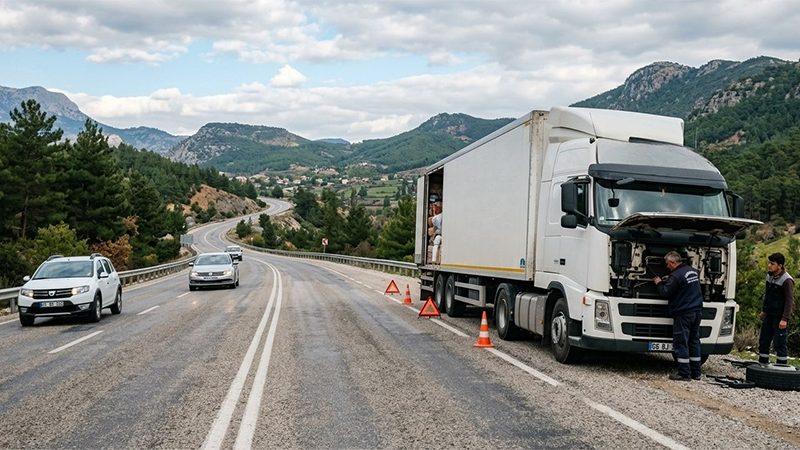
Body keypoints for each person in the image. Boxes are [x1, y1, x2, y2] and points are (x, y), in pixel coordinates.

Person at [654, 251, 704, 381]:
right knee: (694, 341)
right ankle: (696, 373)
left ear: (672, 262)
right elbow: (685, 285)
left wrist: (659, 282)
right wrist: (670, 279)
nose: (667, 267)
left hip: (684, 313)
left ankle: (684, 373)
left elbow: (665, 292)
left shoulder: (676, 276)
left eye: (667, 264)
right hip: (697, 311)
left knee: (681, 342)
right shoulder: (693, 271)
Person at [758, 252, 795, 365]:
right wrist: (764, 311)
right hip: (769, 315)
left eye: (772, 263)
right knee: (764, 340)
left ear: (780, 265)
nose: (769, 265)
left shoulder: (787, 280)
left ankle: (781, 368)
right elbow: (767, 295)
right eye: (769, 263)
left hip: (780, 317)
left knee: (779, 343)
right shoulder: (769, 275)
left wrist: (785, 319)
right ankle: (762, 365)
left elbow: (789, 301)